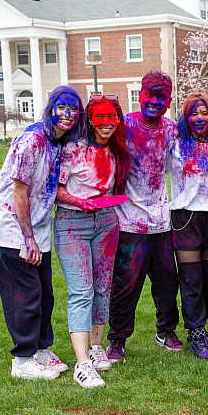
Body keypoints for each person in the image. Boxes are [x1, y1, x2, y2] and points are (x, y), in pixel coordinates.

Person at [0, 85, 85, 380]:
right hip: (12, 229)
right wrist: (27, 239)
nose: (67, 114)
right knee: (25, 295)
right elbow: (19, 193)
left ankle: (40, 349)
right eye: (62, 107)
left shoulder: (57, 142)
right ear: (50, 108)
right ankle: (23, 361)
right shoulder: (33, 140)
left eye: (73, 109)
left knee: (45, 294)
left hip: (37, 229)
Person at [53, 94, 131, 387]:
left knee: (103, 286)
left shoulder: (116, 151)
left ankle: (97, 347)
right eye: (100, 117)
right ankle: (82, 363)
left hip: (107, 221)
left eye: (112, 117)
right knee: (82, 290)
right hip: (72, 223)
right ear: (89, 119)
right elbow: (57, 190)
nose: (106, 123)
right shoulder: (73, 149)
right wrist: (78, 202)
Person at [105, 71, 181, 362]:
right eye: (150, 94)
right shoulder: (123, 126)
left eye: (161, 96)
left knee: (167, 281)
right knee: (126, 284)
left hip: (162, 221)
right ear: (140, 94)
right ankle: (117, 339)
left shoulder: (171, 129)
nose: (155, 101)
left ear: (169, 100)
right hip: (128, 221)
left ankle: (166, 331)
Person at [167, 92, 208, 360]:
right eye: (193, 113)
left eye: (204, 113)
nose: (199, 118)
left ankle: (201, 325)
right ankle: (195, 334)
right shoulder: (175, 146)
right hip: (185, 216)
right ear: (185, 117)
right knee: (191, 278)